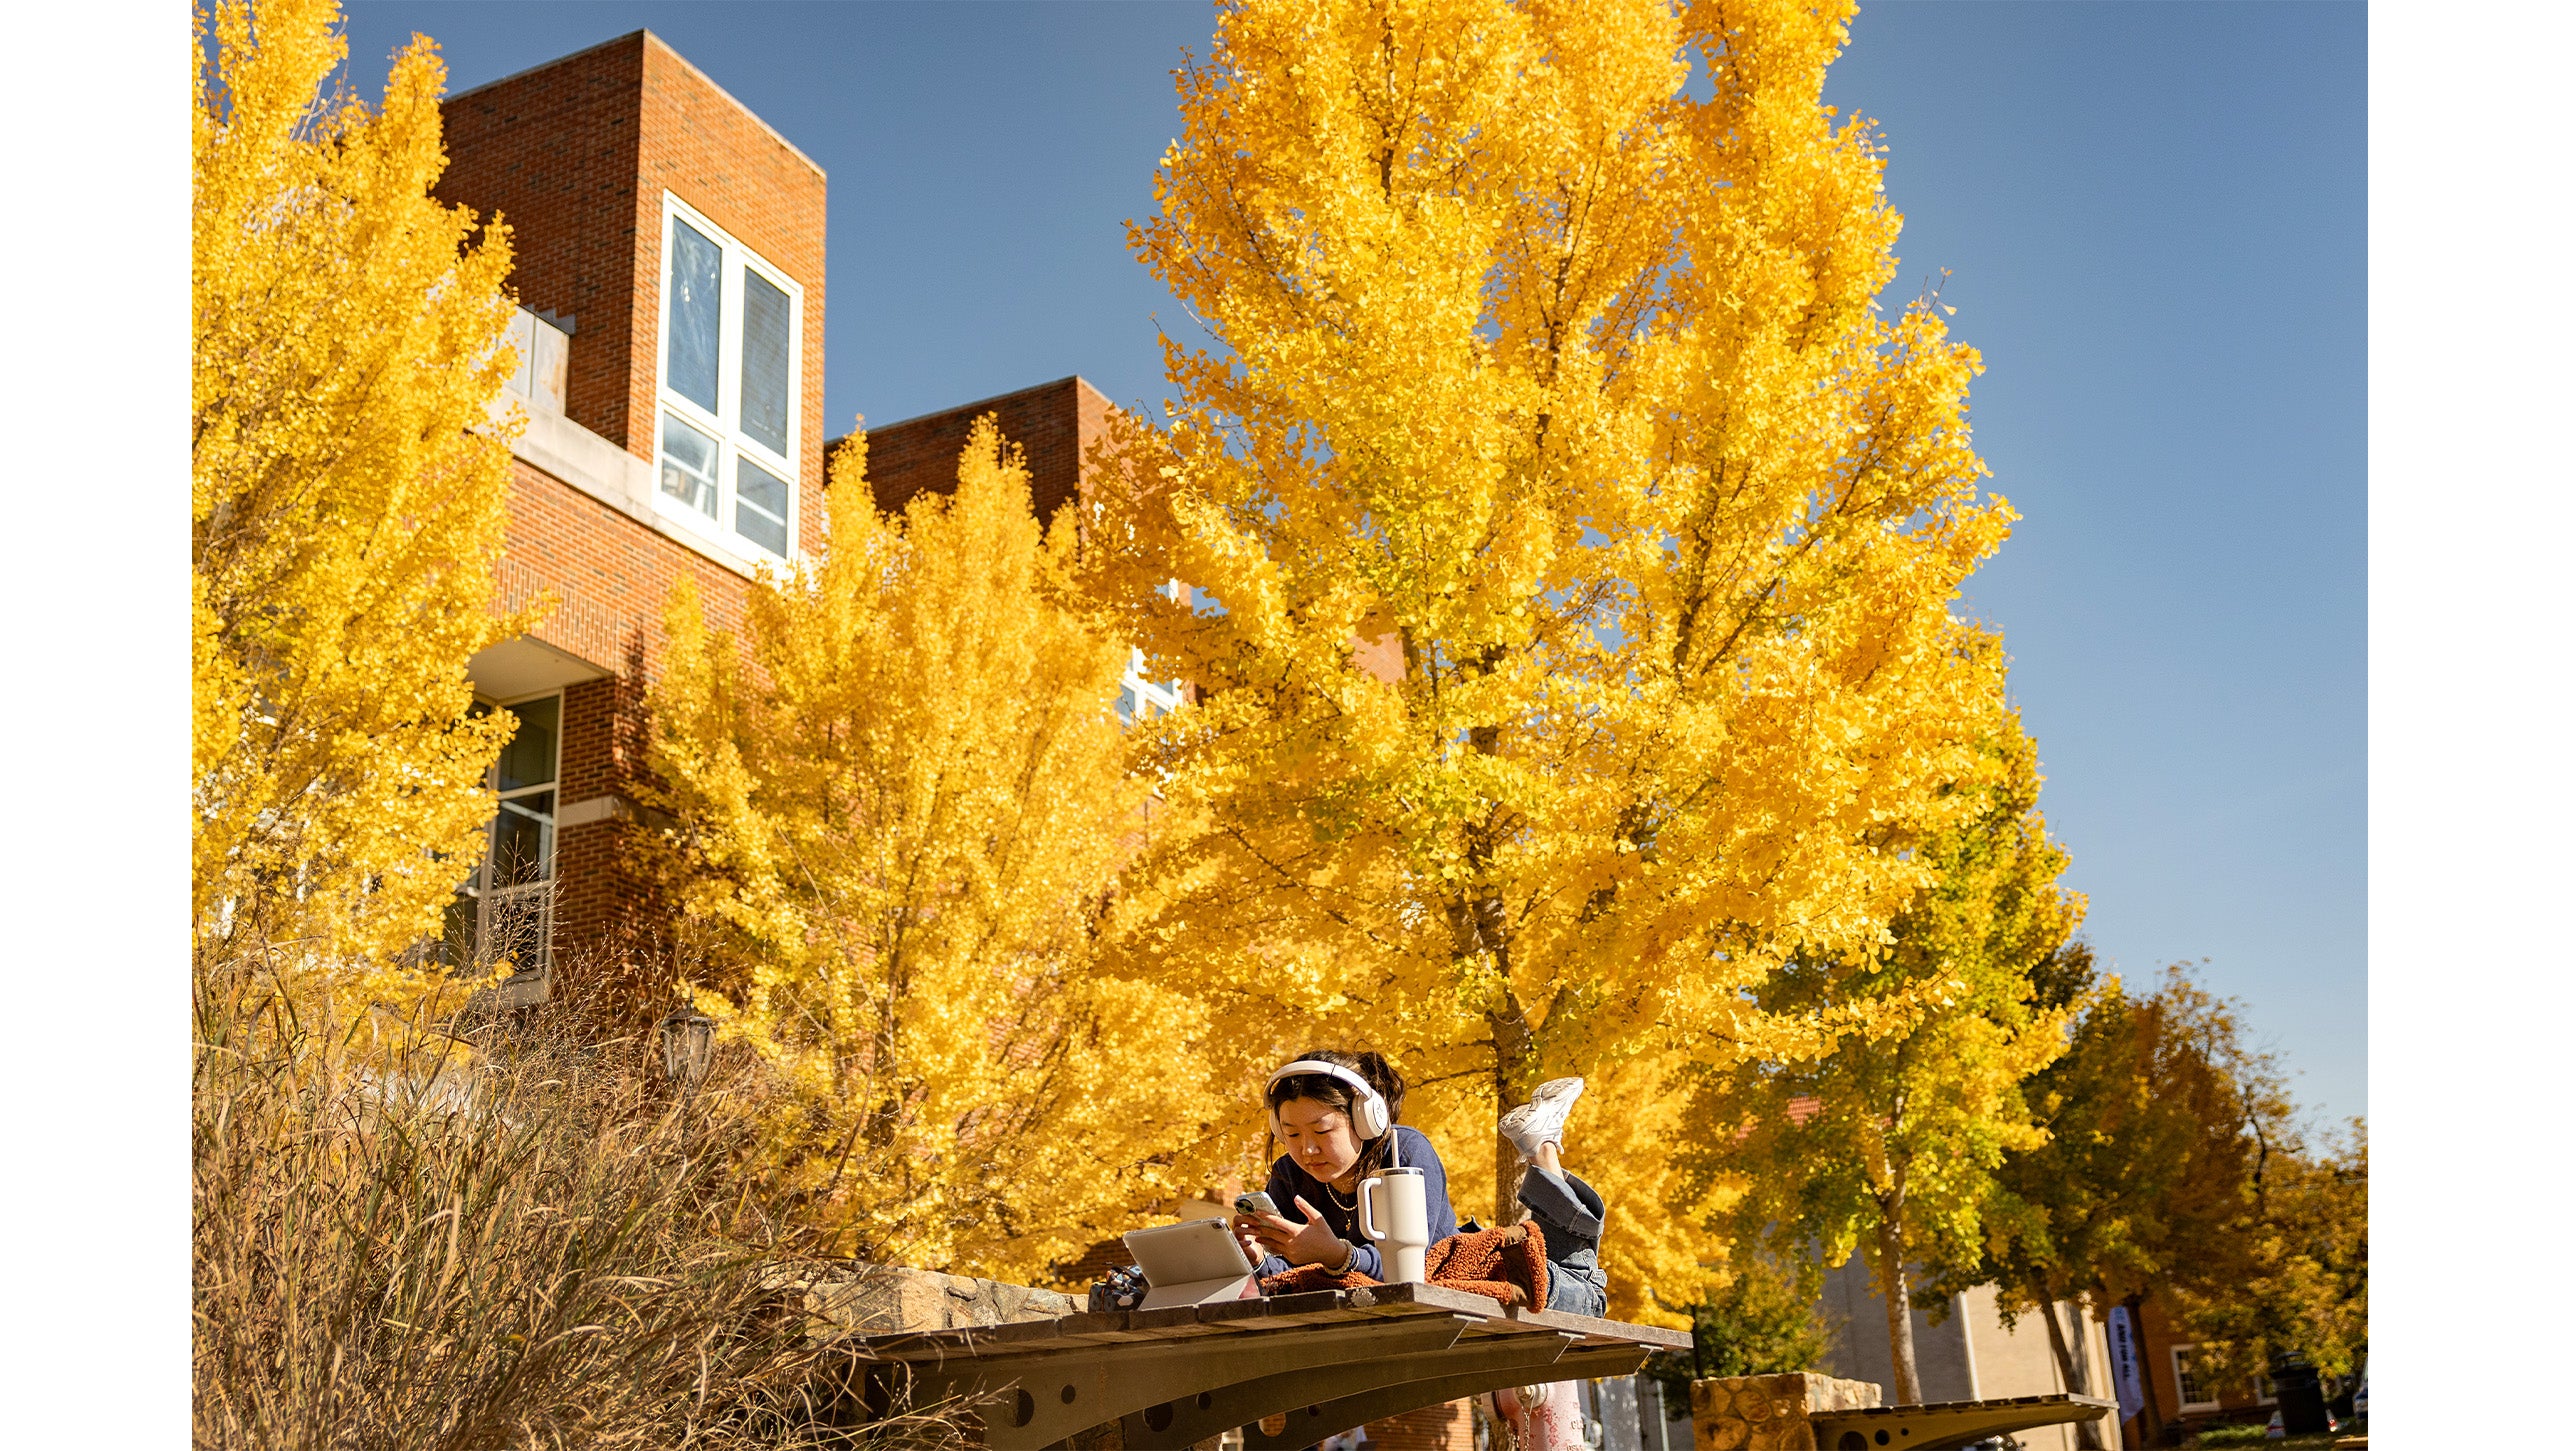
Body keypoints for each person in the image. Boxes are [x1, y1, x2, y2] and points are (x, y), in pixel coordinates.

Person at [1235, 1050, 1458, 1279]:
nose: (1308, 1150)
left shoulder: (1404, 1152)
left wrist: (1338, 1255)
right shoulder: (1288, 1174)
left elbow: (1406, 1267)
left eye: (1322, 1131)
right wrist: (1259, 1259)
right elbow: (1294, 1276)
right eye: (1292, 1134)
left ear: (1364, 1119)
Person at [1497, 1077, 1609, 1317]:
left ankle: (1541, 1147)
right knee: (1592, 1299)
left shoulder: (1405, 1149)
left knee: (1584, 1285)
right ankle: (1541, 1149)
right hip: (1499, 1272)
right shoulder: (1410, 1147)